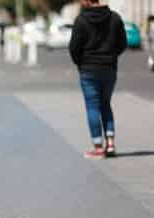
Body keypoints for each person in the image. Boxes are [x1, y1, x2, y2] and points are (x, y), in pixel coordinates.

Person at [69, 0, 127, 159]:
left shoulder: (81, 20)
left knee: (92, 107)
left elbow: (74, 47)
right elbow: (123, 43)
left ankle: (98, 148)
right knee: (105, 104)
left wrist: (80, 63)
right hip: (109, 69)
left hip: (88, 70)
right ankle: (111, 144)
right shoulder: (115, 18)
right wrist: (111, 56)